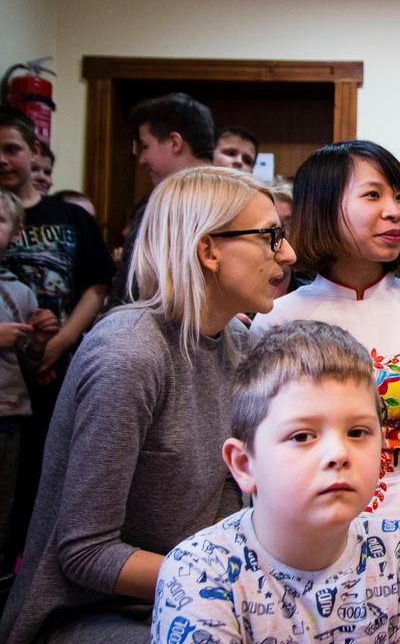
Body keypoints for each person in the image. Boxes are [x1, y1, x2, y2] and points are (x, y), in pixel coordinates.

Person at [0, 167, 295, 644]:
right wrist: (229, 583)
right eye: (270, 237)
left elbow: (221, 509)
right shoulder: (129, 352)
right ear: (208, 250)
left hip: (184, 599)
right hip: (85, 614)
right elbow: (85, 553)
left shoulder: (237, 343)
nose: (289, 254)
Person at [249, 140, 400, 643]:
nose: (395, 211)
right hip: (304, 540)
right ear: (322, 207)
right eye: (373, 195)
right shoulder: (277, 319)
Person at [152, 320, 400, 644]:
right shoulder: (199, 573)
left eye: (357, 432)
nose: (338, 454)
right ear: (245, 465)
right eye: (302, 436)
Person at [0, 108, 115, 568]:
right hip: (8, 374)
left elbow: (95, 286)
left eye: (11, 149)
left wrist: (56, 345)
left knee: (40, 481)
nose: (3, 159)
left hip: (57, 371)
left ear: (33, 151)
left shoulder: (69, 217)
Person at [108, 92, 216, 308]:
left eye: (145, 146)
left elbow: (128, 295)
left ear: (175, 142)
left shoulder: (158, 211)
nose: (141, 160)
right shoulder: (242, 202)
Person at [0, 190, 59, 572]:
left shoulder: (20, 292)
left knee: (4, 510)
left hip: (10, 417)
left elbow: (27, 364)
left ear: (16, 232)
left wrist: (37, 343)